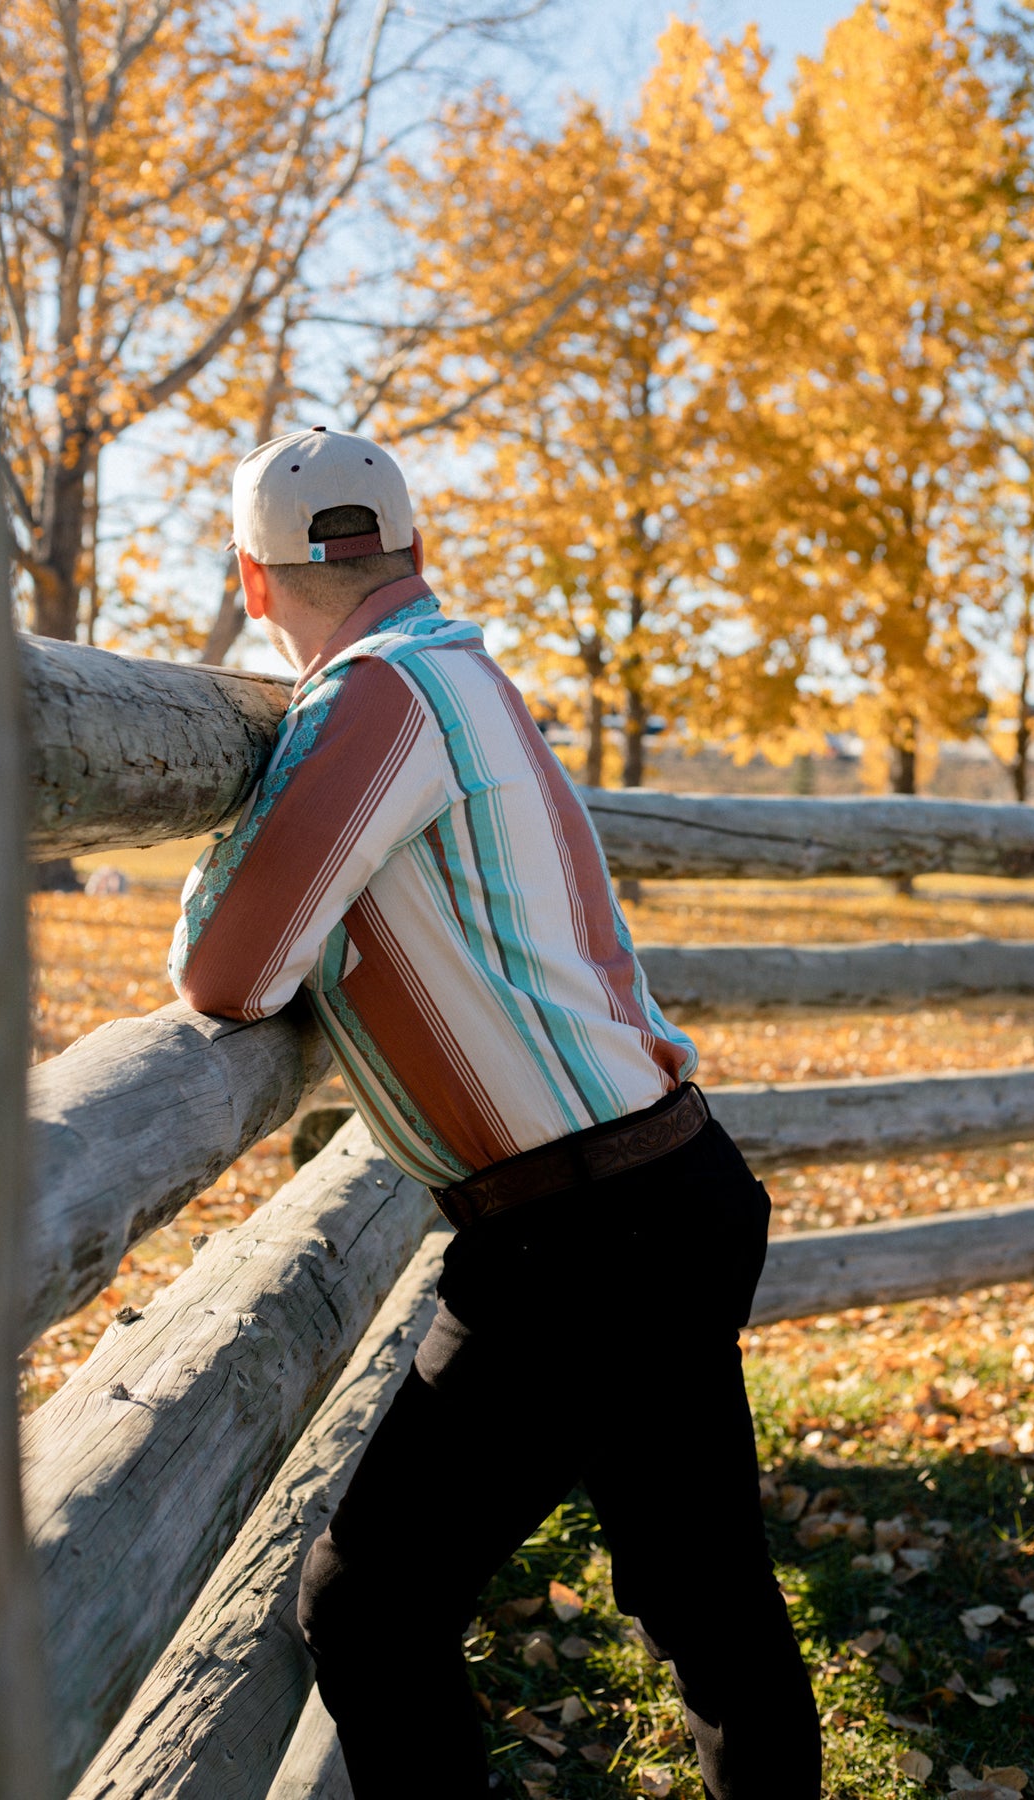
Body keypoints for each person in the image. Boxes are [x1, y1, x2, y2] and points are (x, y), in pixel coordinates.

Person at [169, 425, 821, 1799]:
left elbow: (228, 974)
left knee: (367, 1604)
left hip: (581, 1238)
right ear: (413, 549)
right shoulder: (465, 674)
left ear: (252, 577)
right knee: (704, 1594)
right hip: (674, 1187)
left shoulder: (376, 701)